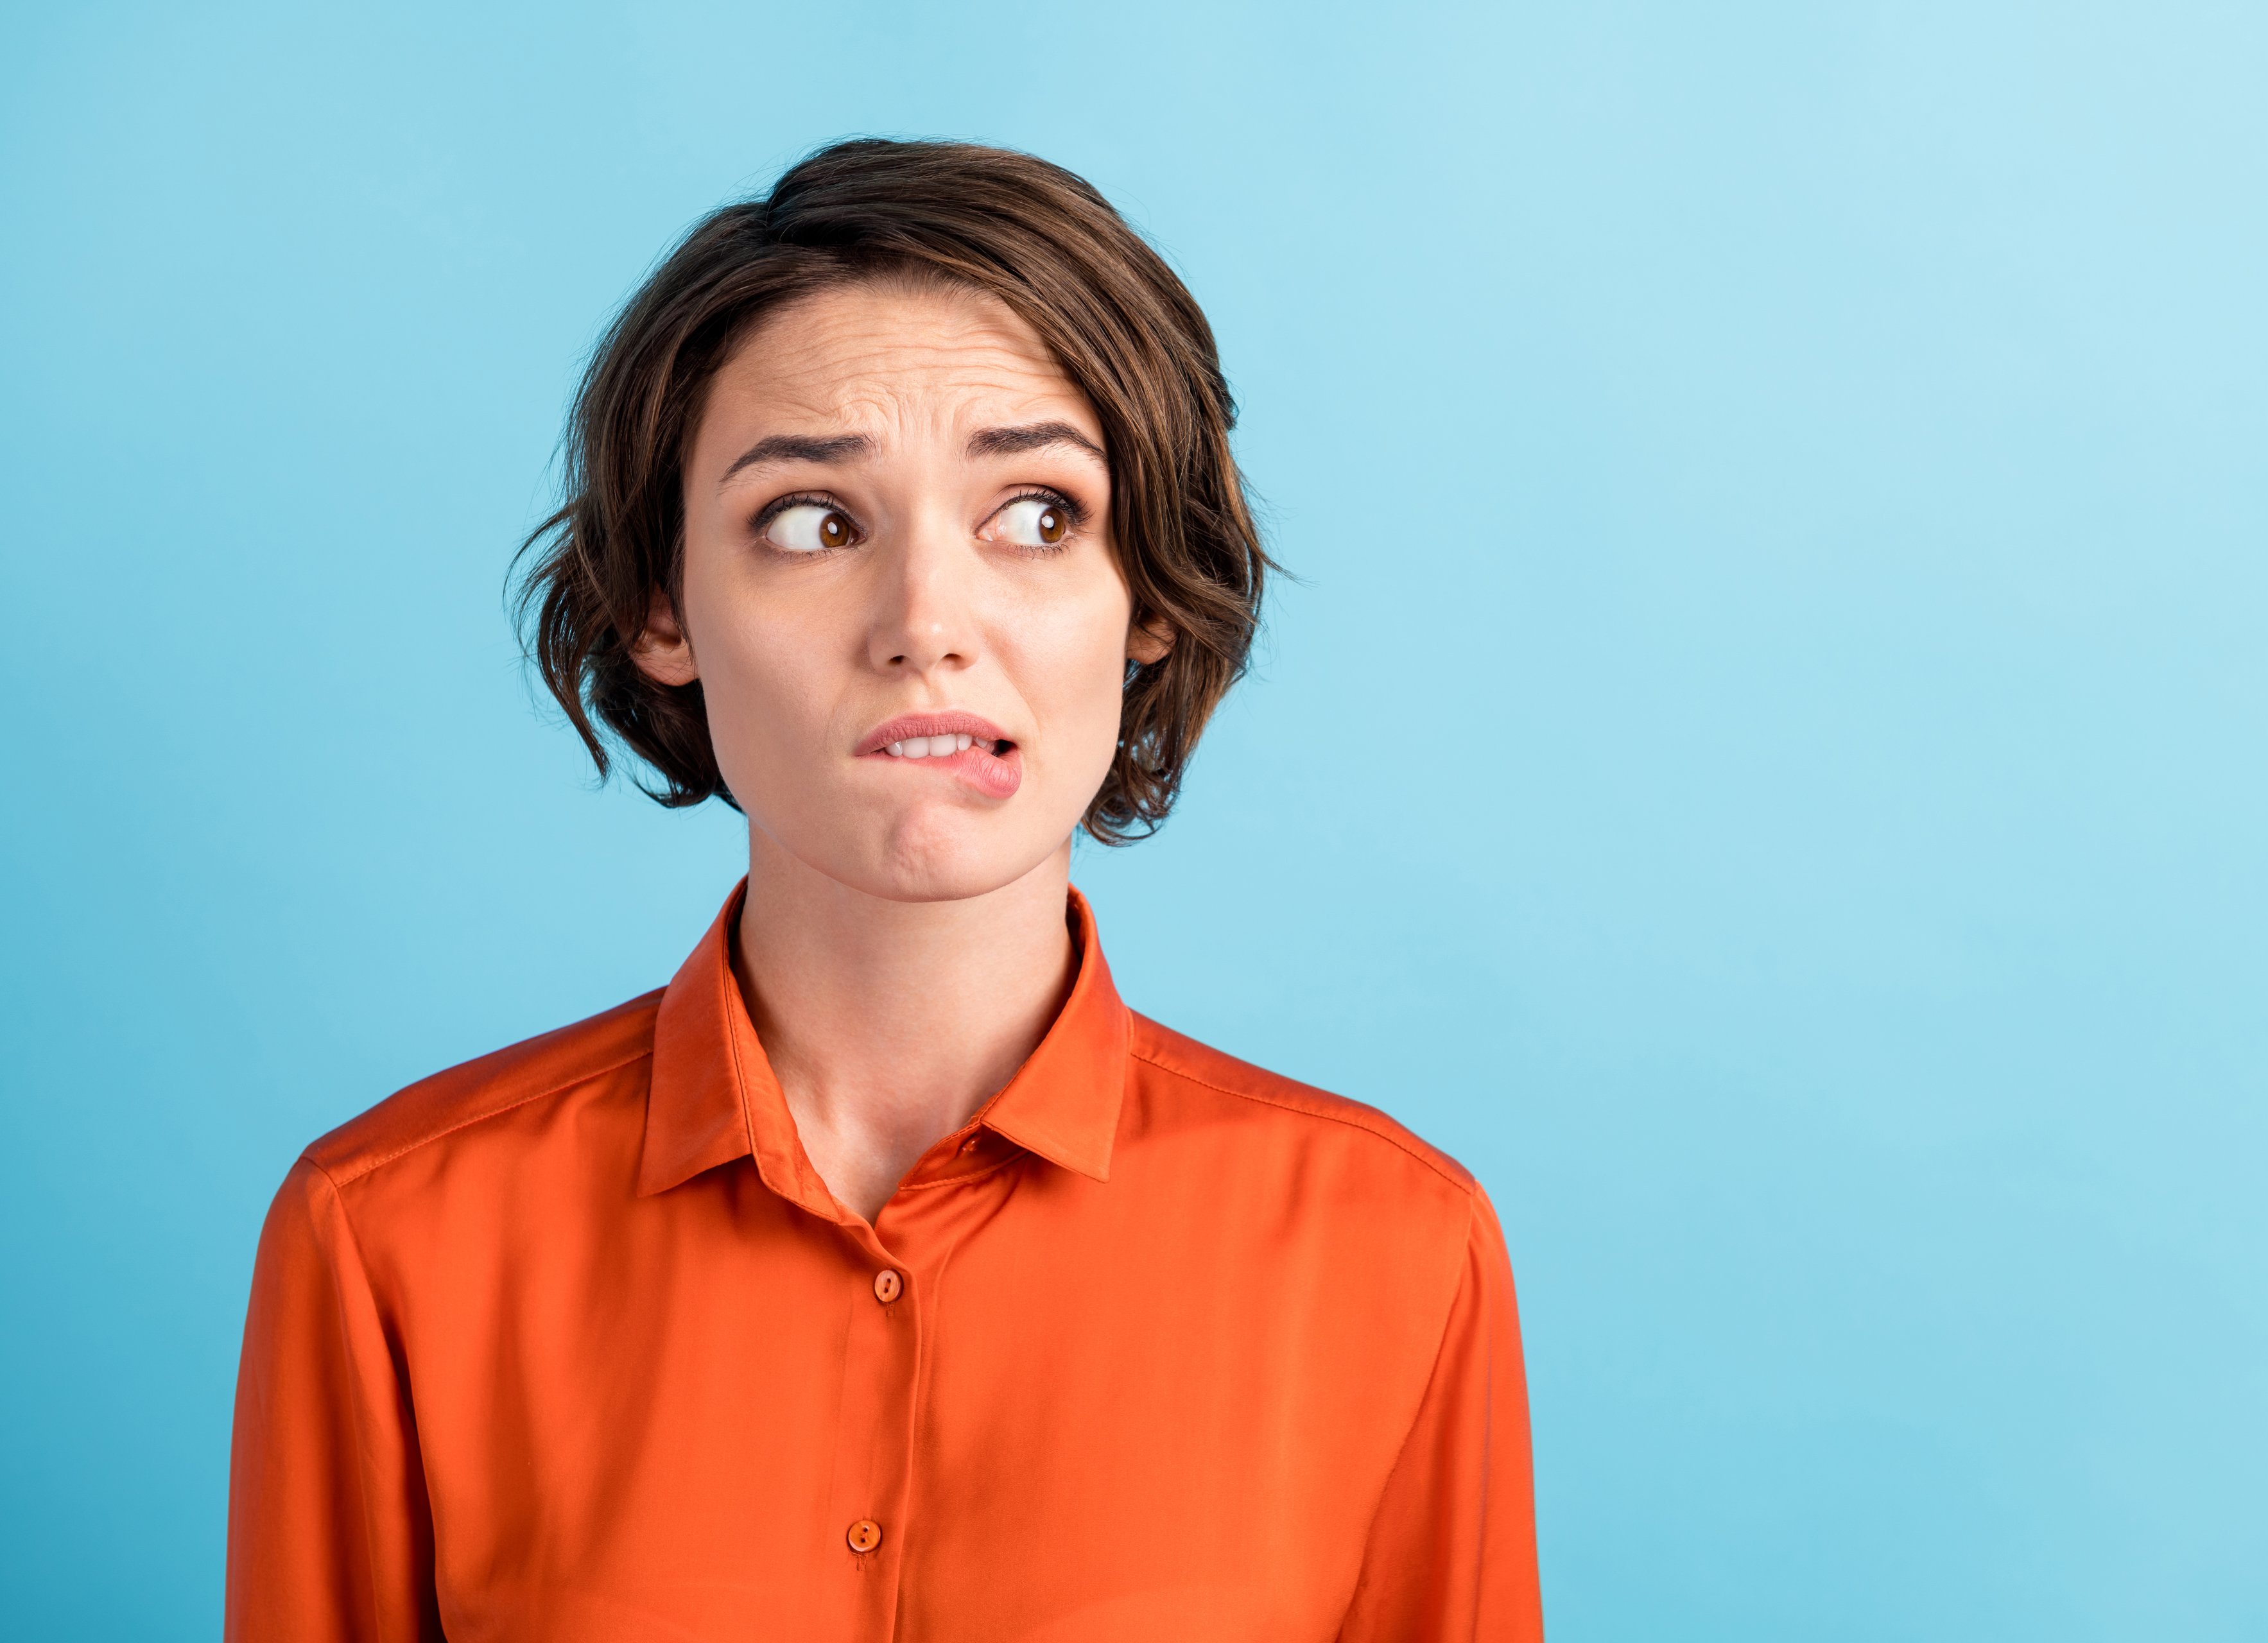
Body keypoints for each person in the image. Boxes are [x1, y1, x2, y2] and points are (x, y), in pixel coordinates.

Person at [225, 138, 1541, 1642]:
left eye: (1039, 514)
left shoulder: (1394, 1246)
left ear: (1151, 600)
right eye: (812, 522)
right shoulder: (389, 1233)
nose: (927, 623)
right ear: (663, 606)